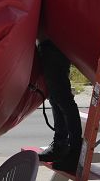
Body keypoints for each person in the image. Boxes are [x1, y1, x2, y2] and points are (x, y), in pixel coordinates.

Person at [36, 40, 82, 174]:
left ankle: (74, 152)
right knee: (55, 98)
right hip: (50, 43)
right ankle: (62, 145)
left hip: (55, 44)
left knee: (62, 98)